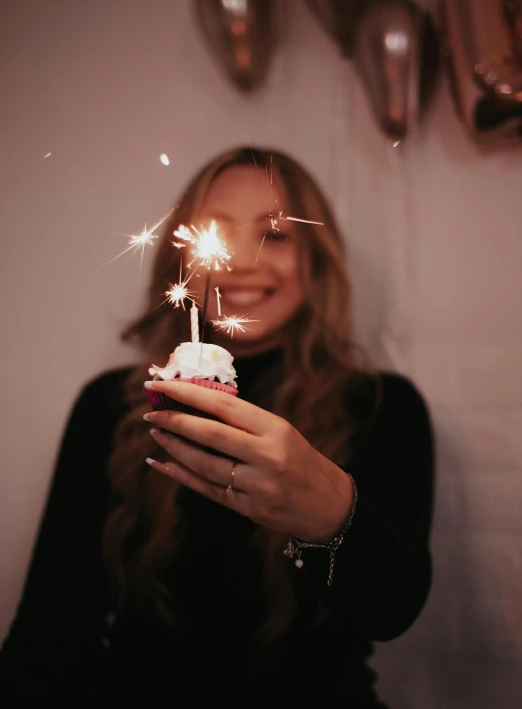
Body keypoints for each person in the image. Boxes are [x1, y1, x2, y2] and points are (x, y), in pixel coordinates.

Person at [0, 147, 434, 704]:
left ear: (315, 259)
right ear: (182, 259)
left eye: (275, 235)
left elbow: (393, 610)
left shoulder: (380, 408)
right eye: (217, 235)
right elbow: (51, 630)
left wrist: (329, 512)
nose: (244, 262)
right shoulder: (112, 406)